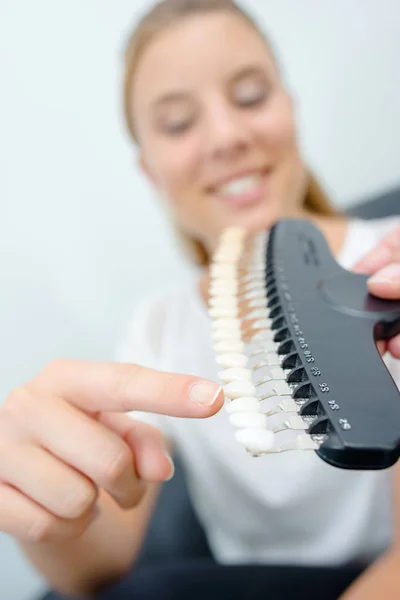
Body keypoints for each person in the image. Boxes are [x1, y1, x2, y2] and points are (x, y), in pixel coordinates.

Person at [0, 1, 399, 599]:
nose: (227, 137)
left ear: (290, 107)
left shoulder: (392, 261)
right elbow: (92, 575)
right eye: (179, 123)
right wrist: (38, 501)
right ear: (149, 170)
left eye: (250, 96)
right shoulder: (158, 328)